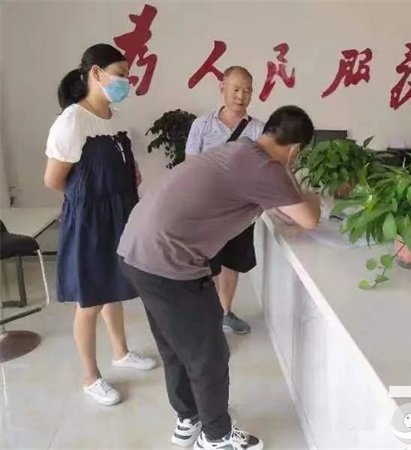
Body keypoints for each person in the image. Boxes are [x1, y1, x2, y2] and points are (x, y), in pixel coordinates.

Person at [118, 105, 320, 450]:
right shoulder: (265, 168)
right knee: (208, 354)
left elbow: (280, 210)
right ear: (295, 149)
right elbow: (308, 219)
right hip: (170, 262)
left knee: (175, 346)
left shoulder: (239, 149)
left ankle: (189, 418)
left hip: (135, 250)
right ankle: (216, 436)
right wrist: (310, 194)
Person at [43, 43, 156, 406]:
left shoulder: (115, 117)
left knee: (113, 286)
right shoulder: (72, 120)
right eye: (120, 74)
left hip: (120, 213)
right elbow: (54, 179)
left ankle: (121, 352)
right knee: (91, 298)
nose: (126, 81)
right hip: (90, 220)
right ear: (95, 73)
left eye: (127, 75)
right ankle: (90, 377)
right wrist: (91, 197)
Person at [185, 66, 265, 335]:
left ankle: (225, 312)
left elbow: (263, 171)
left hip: (240, 212)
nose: (241, 96)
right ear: (222, 87)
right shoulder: (202, 125)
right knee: (206, 265)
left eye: (247, 91)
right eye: (236, 89)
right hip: (207, 212)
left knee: (232, 263)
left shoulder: (258, 129)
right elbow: (191, 168)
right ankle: (207, 317)